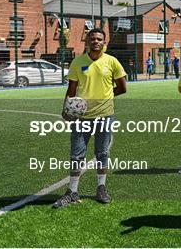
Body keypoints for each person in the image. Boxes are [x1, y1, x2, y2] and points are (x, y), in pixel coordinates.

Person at [53, 28, 127, 208]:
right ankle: (72, 192)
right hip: (81, 118)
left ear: (104, 42)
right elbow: (71, 90)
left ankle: (101, 188)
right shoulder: (78, 62)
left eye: (99, 39)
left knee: (102, 153)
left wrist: (106, 97)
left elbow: (122, 87)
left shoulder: (112, 62)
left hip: (104, 116)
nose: (96, 41)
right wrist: (66, 109)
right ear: (87, 41)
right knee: (76, 154)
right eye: (92, 38)